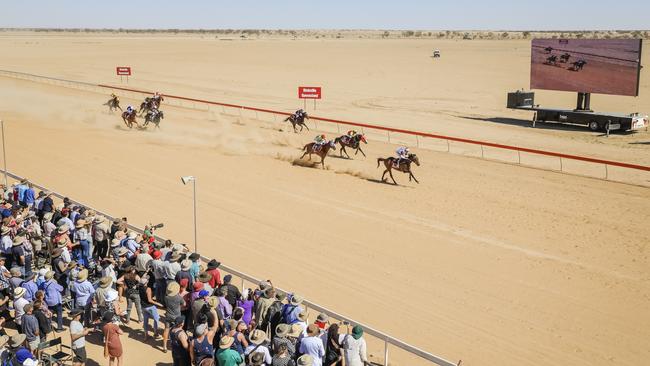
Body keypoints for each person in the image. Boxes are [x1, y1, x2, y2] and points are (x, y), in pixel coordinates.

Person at [139, 275, 162, 341]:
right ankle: (156, 334)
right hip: (150, 306)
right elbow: (150, 300)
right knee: (156, 319)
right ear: (146, 282)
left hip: (143, 306)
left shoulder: (139, 287)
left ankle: (146, 335)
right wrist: (158, 304)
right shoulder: (148, 289)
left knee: (145, 321)